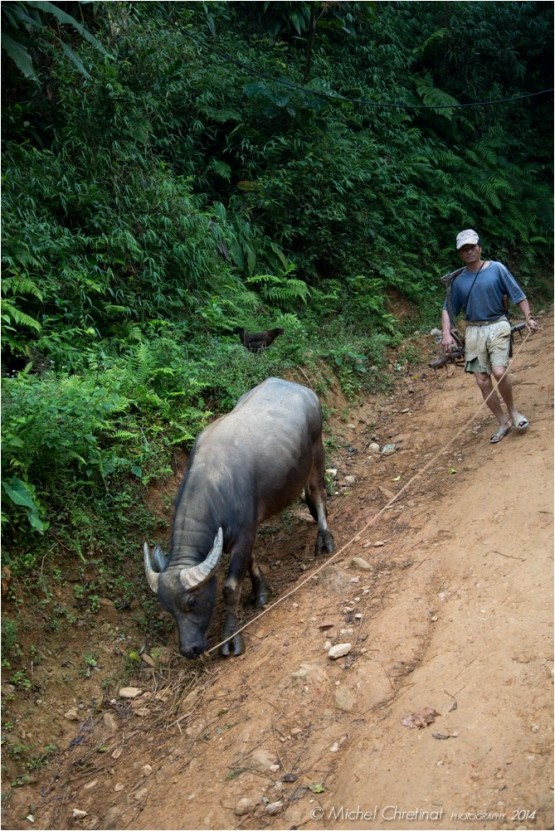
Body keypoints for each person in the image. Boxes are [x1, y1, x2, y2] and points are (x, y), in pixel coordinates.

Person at [441, 229, 538, 444]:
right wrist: (446, 334)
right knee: (481, 380)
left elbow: (517, 294)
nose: (469, 252)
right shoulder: (458, 281)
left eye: (472, 247)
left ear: (479, 247)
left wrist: (528, 317)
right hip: (474, 330)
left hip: (498, 325)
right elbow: (447, 309)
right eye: (464, 249)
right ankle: (502, 421)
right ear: (460, 253)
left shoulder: (497, 269)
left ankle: (513, 412)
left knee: (499, 371)